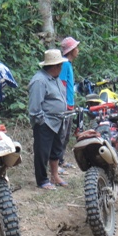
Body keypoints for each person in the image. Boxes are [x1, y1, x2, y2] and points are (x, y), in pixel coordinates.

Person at [28, 49, 69, 190]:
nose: (61, 68)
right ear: (54, 66)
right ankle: (42, 180)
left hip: (58, 120)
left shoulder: (55, 79)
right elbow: (34, 107)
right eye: (60, 65)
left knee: (56, 150)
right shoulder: (39, 81)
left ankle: (55, 176)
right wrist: (42, 121)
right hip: (46, 122)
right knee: (42, 152)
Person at [58, 37, 80, 172]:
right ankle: (56, 163)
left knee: (66, 135)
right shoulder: (65, 65)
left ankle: (61, 160)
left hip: (69, 105)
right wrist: (65, 103)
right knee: (61, 135)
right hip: (65, 106)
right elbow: (62, 85)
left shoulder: (68, 64)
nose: (78, 50)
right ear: (71, 50)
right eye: (76, 48)